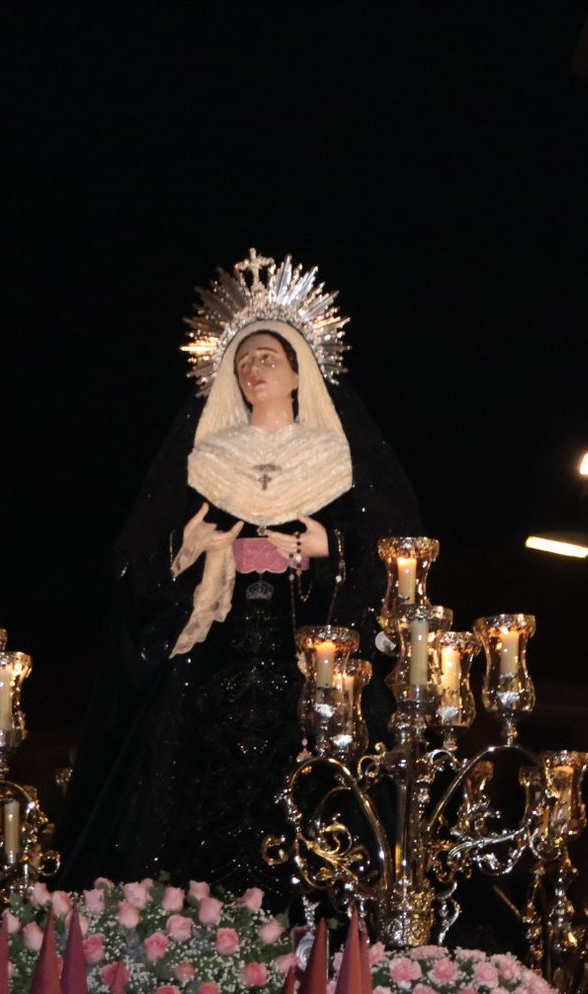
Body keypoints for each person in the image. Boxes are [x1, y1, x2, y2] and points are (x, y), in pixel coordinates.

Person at [55, 250, 420, 910]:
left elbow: (387, 563)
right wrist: (183, 547)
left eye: (268, 359)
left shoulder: (335, 457)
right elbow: (138, 560)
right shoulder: (208, 458)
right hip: (212, 659)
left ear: (298, 372)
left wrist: (326, 550)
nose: (254, 369)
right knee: (180, 794)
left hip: (309, 661)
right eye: (244, 360)